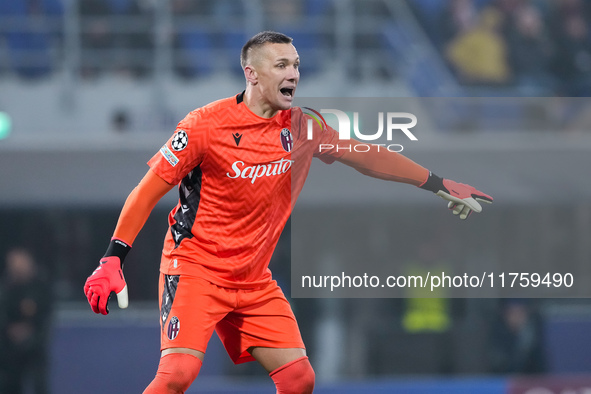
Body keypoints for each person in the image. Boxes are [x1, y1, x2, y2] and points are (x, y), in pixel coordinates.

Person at [84, 31, 493, 394]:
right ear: (252, 74)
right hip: (196, 268)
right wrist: (113, 257)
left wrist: (438, 184)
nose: (294, 74)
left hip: (253, 279)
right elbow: (146, 191)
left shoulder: (302, 127)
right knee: (178, 375)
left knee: (300, 379)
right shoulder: (204, 126)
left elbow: (368, 156)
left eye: (297, 65)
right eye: (281, 65)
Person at [0, 248, 52, 394]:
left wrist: (30, 332)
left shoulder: (41, 286)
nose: (17, 267)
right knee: (9, 383)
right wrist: (10, 331)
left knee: (39, 384)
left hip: (35, 347)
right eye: (13, 264)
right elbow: (4, 314)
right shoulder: (6, 288)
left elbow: (45, 316)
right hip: (8, 349)